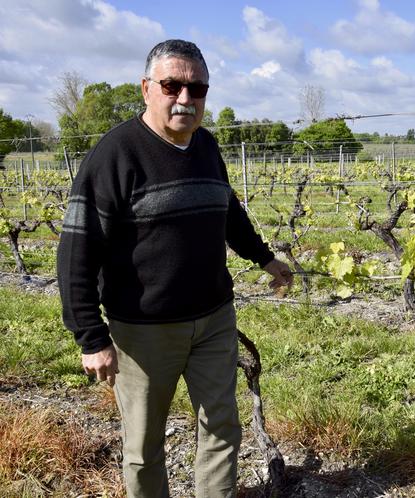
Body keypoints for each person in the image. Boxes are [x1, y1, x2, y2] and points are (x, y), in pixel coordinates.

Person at [56, 39, 293, 497]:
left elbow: (228, 213)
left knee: (222, 429)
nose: (186, 98)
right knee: (144, 446)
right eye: (172, 85)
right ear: (147, 89)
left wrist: (264, 258)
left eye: (197, 89)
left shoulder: (206, 145)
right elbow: (76, 252)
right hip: (144, 331)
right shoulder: (115, 155)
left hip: (214, 320)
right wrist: (91, 336)